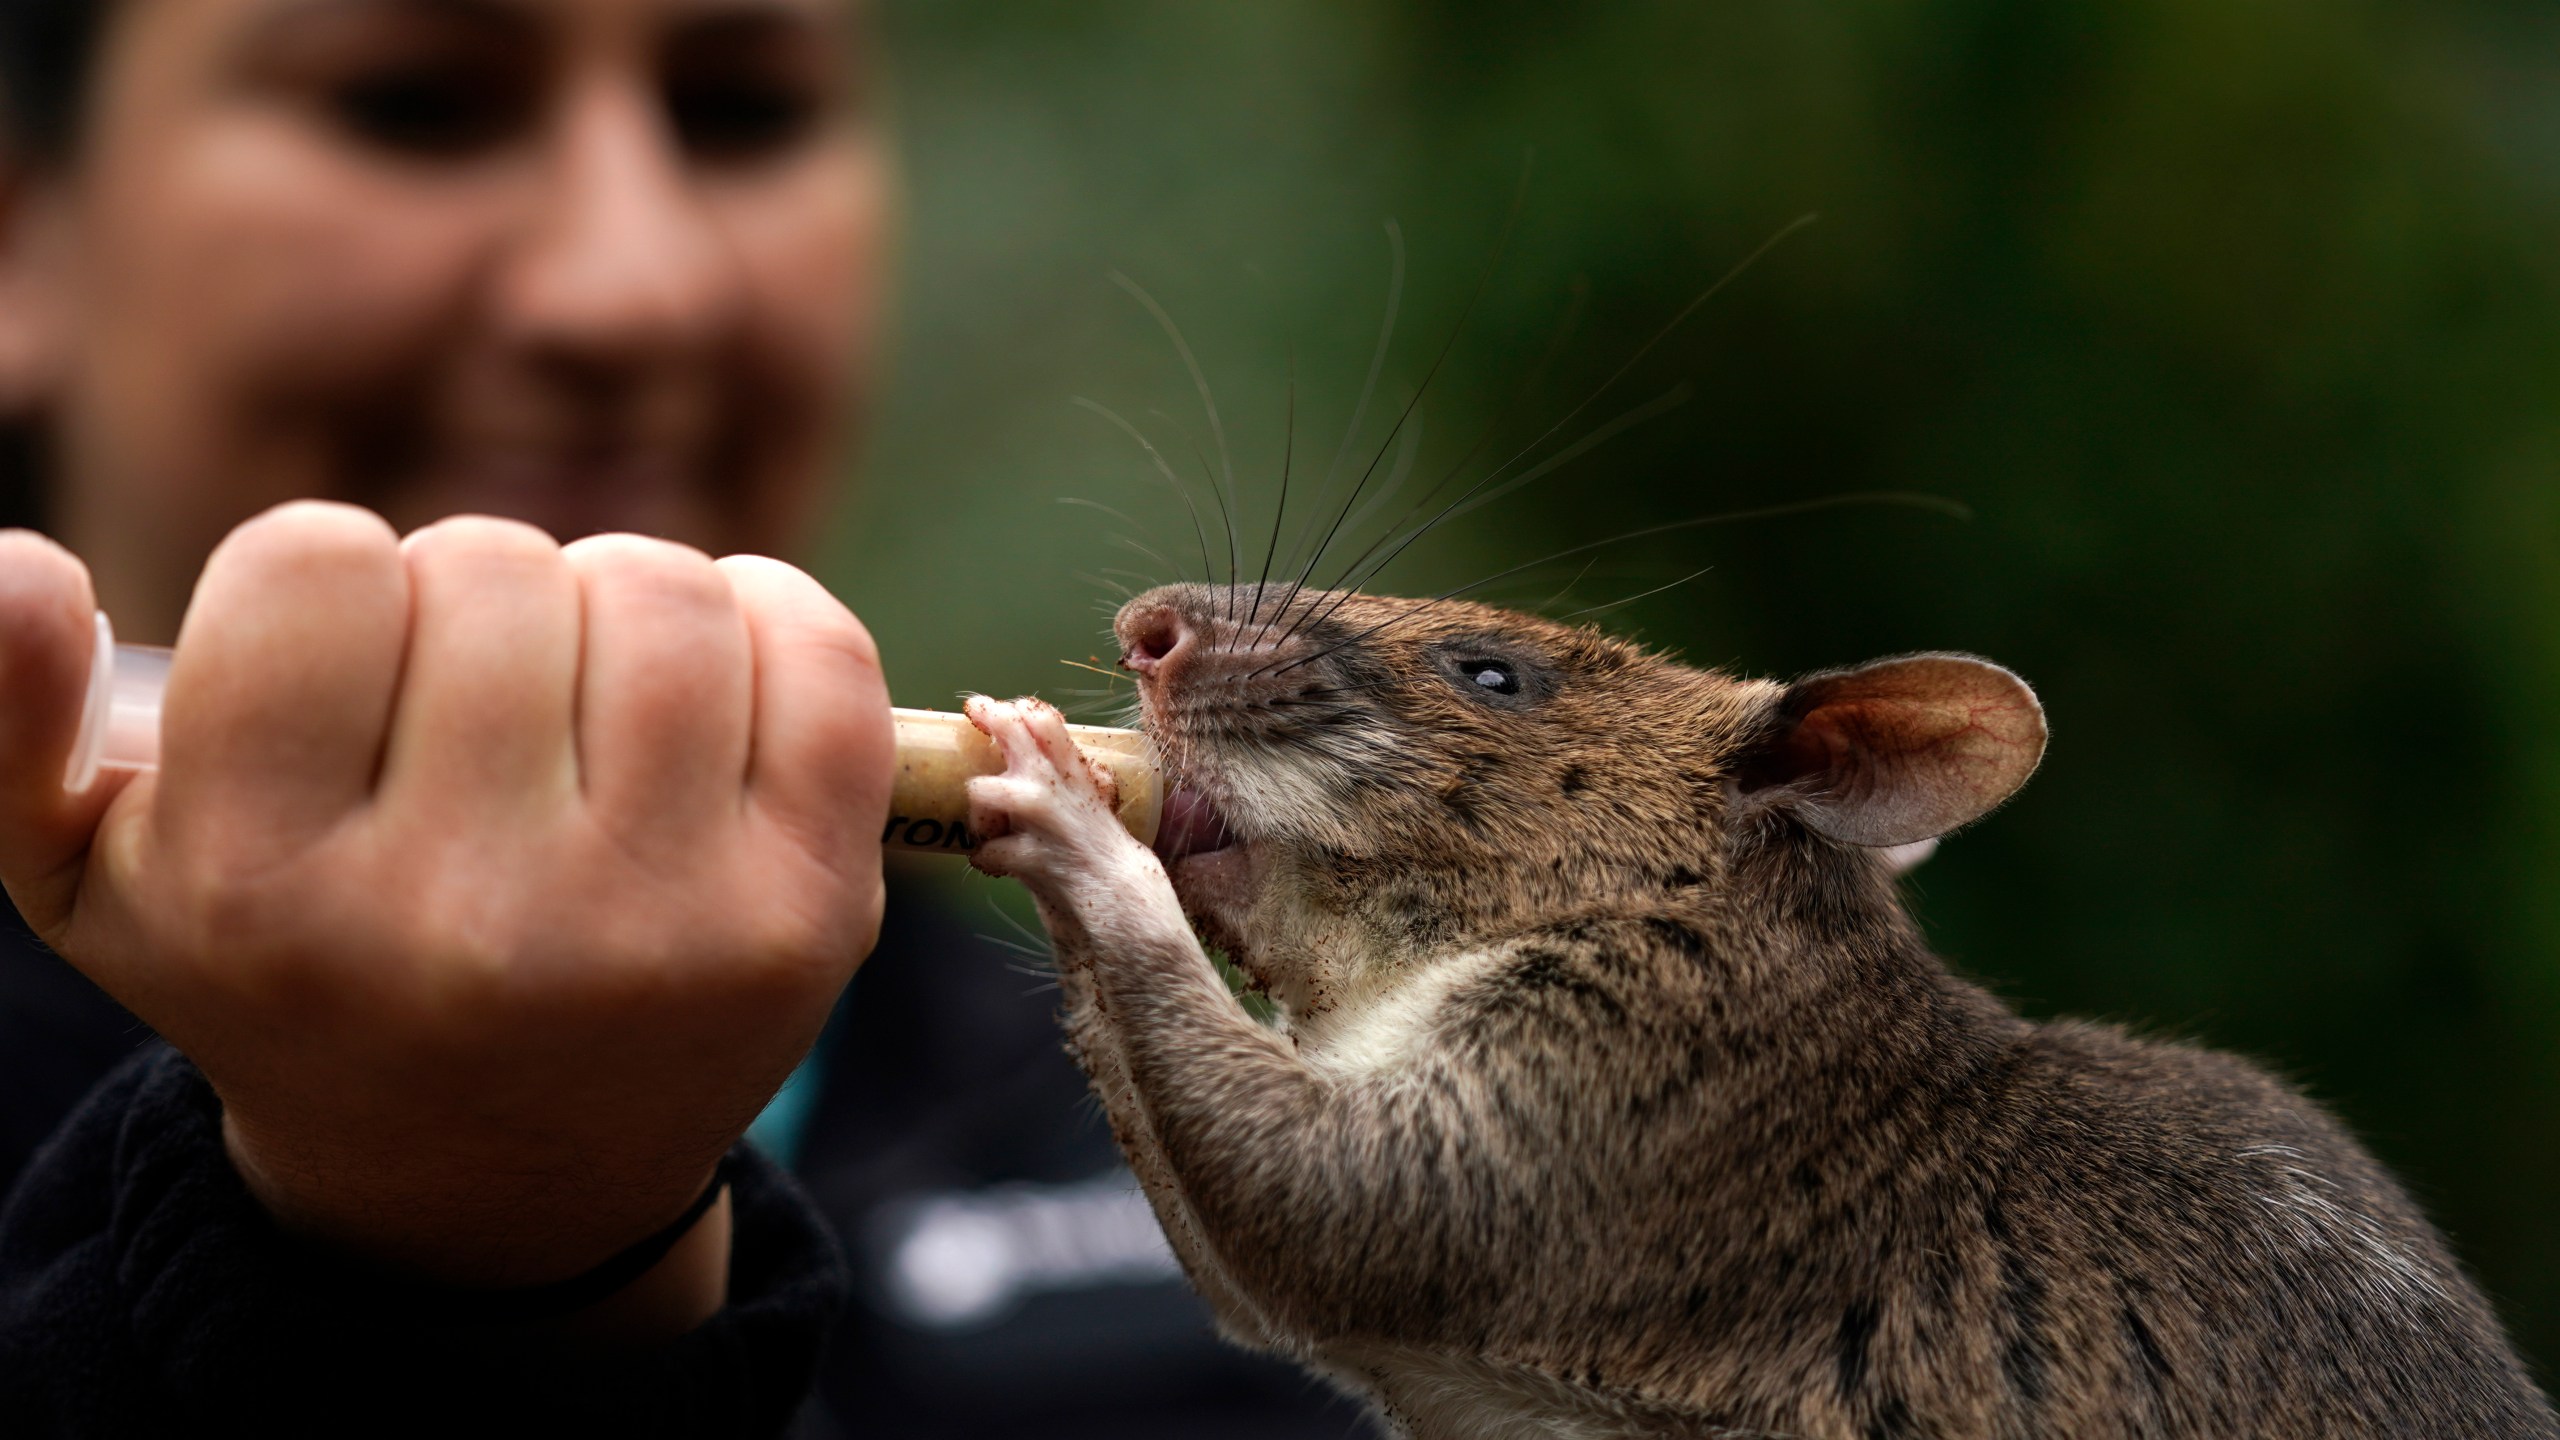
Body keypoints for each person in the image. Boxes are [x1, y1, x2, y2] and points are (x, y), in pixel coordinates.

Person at [0, 0, 1353, 1433]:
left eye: (741, 111)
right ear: (24, 229)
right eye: (410, 103)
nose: (636, 289)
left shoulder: (1203, 1175)